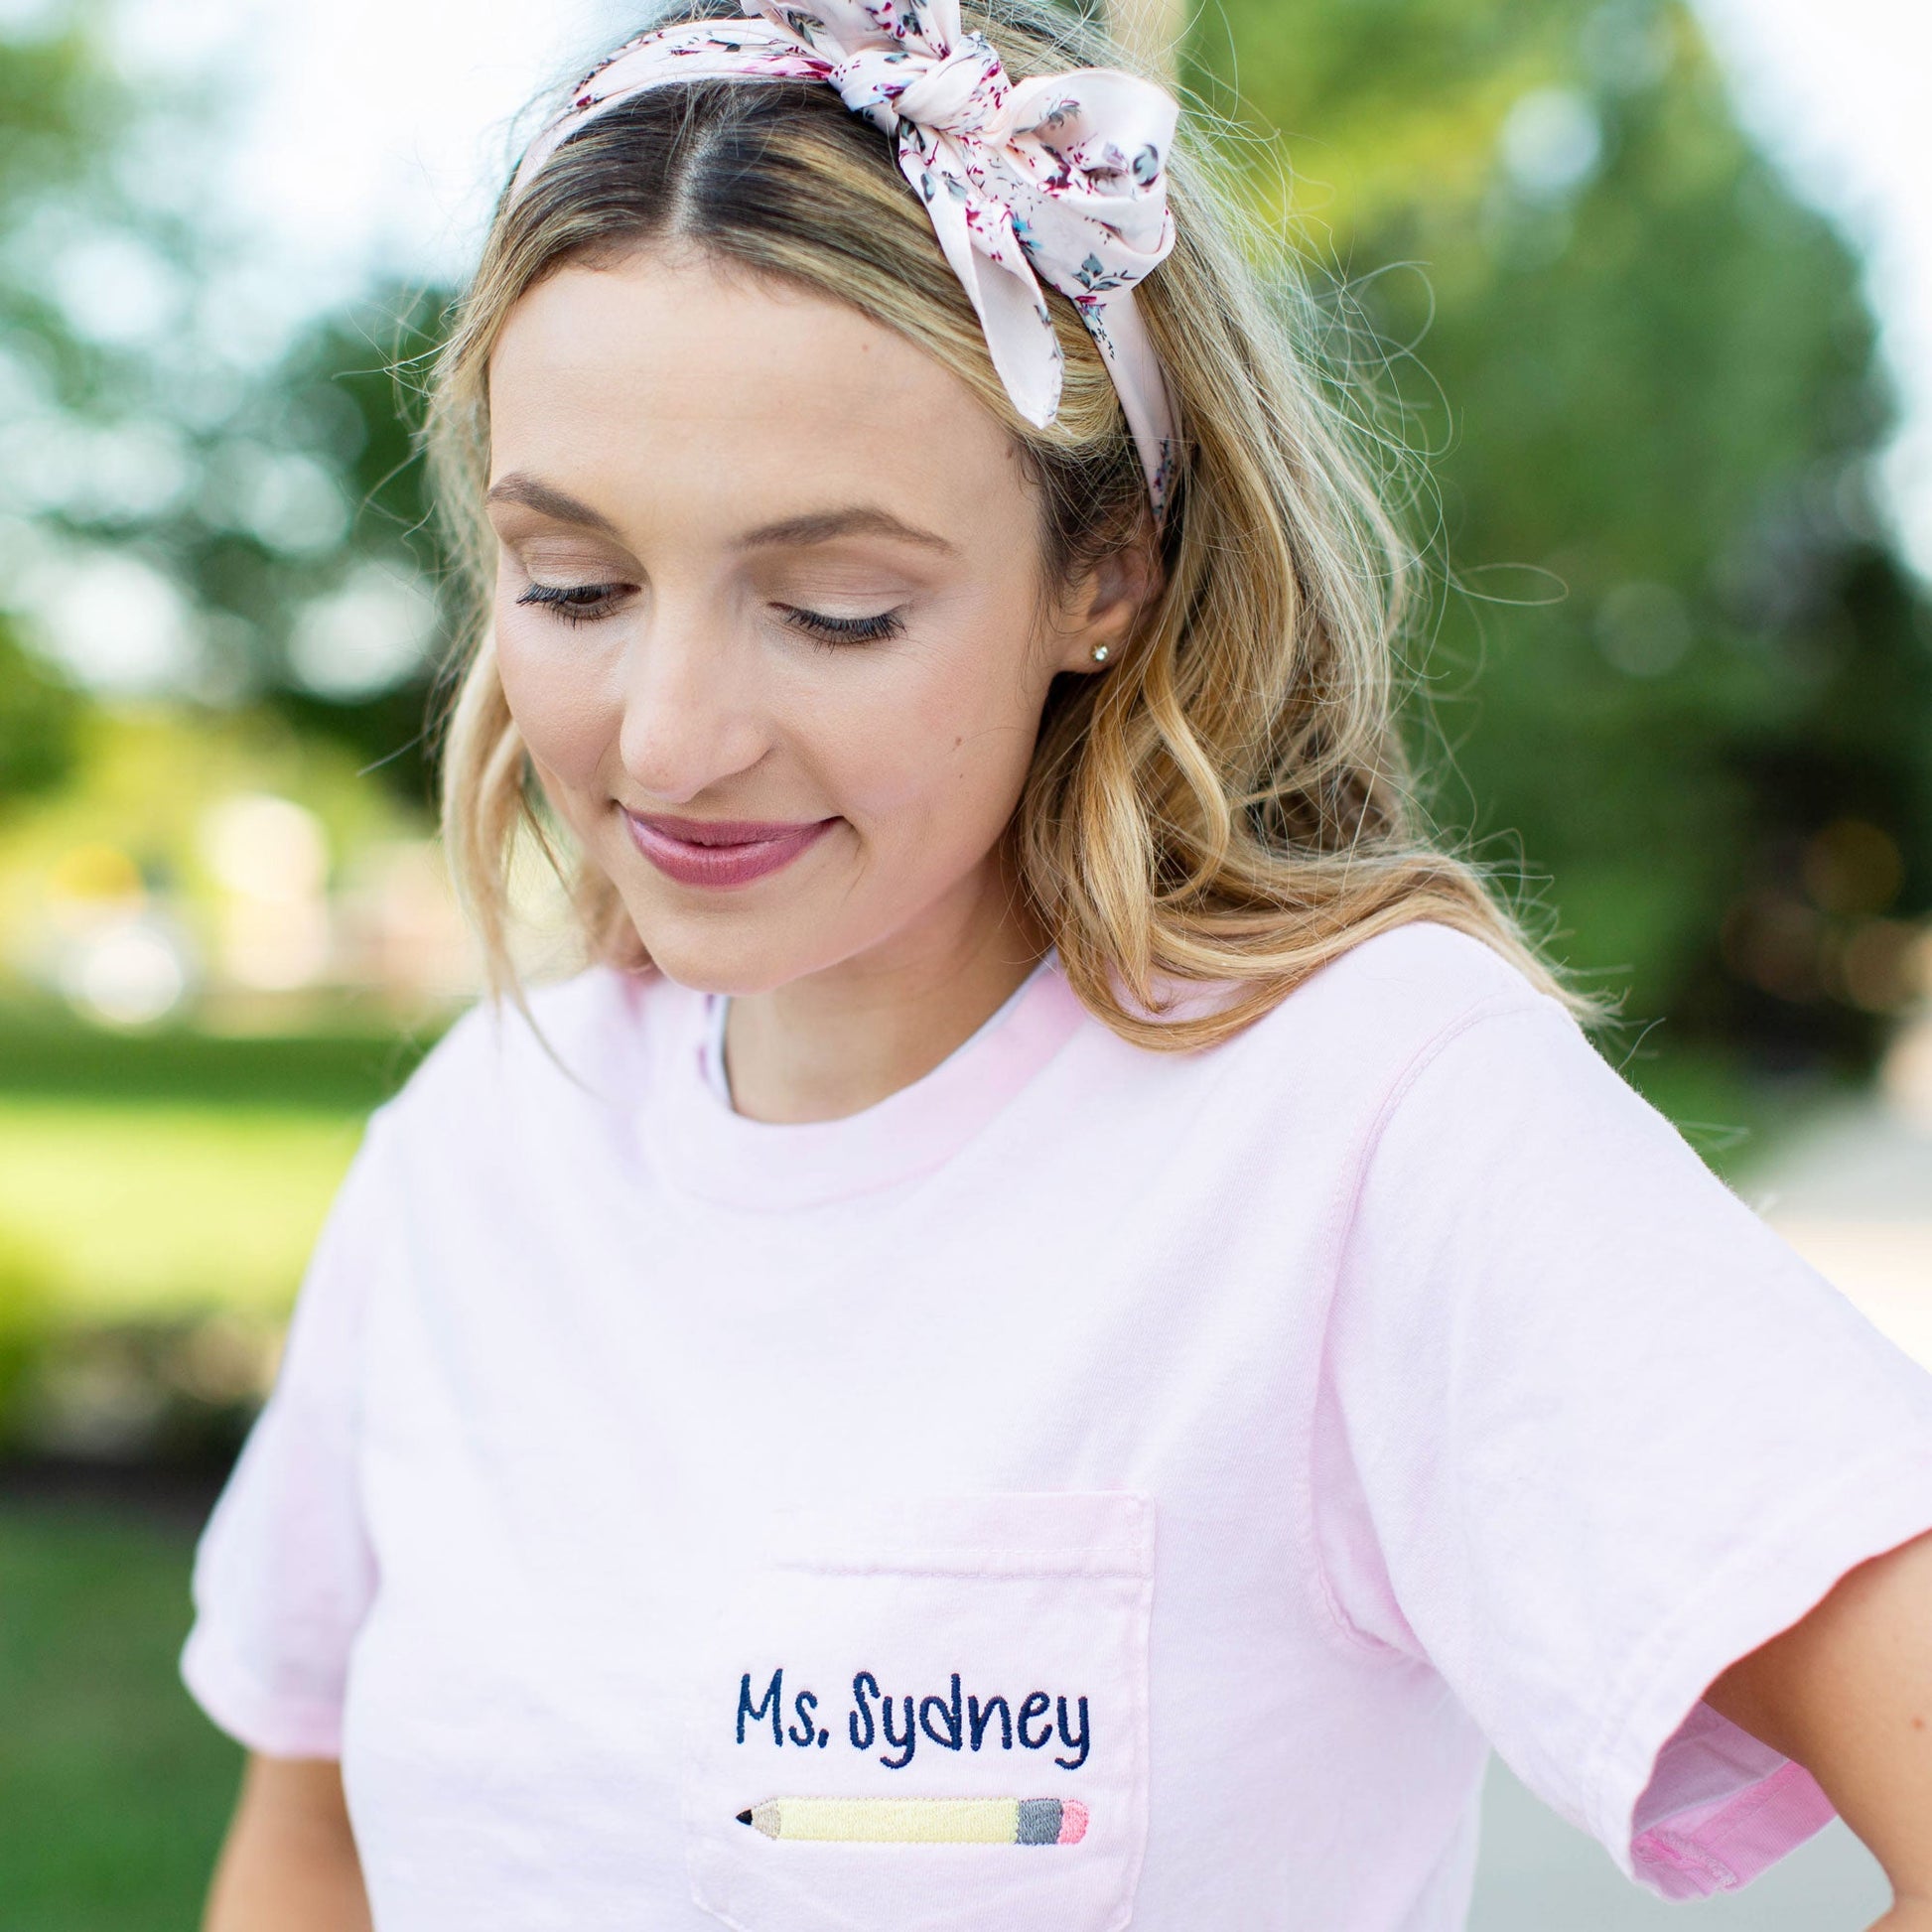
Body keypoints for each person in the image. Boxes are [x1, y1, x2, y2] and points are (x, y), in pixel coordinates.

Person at [180, 1, 1932, 1926]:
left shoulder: (1363, 1119)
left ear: (1106, 572)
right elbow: (311, 1840)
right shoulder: (475, 1150)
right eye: (573, 583)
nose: (668, 736)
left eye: (835, 608)